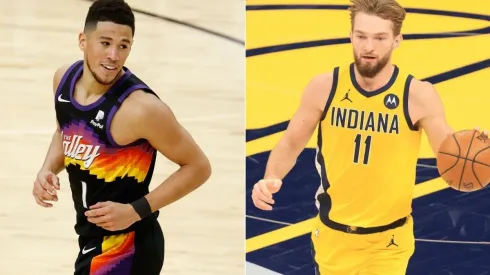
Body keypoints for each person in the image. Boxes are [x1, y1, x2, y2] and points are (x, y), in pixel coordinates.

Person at [251, 0, 485, 274]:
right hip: (332, 237)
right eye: (361, 36)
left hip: (389, 241)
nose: (369, 46)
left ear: (397, 40)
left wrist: (473, 150)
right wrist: (270, 177)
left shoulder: (417, 95)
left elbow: (448, 153)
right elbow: (291, 143)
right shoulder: (324, 88)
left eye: (379, 38)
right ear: (351, 36)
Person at [31, 0, 211, 274]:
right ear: (83, 40)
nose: (114, 54)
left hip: (128, 247)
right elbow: (63, 130)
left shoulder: (142, 109)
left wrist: (135, 210)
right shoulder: (63, 80)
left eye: (123, 45)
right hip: (92, 240)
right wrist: (47, 168)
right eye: (105, 43)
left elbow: (198, 167)